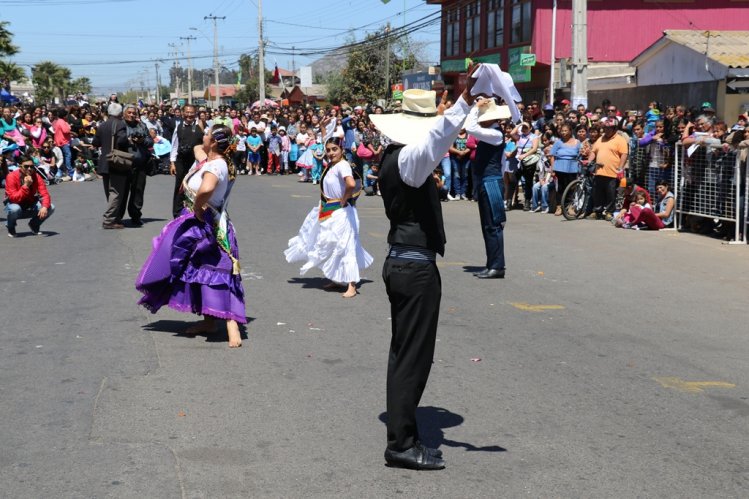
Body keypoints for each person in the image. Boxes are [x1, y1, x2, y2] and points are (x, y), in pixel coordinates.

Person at [368, 64, 486, 470]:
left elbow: (438, 137)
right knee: (412, 358)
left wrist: (466, 107)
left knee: (407, 354)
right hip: (413, 268)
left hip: (407, 263)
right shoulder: (408, 159)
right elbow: (436, 139)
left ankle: (407, 436)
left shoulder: (397, 158)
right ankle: (401, 444)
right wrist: (465, 100)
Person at [136, 125, 245, 348]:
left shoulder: (216, 166)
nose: (202, 137)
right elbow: (197, 148)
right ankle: (209, 321)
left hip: (206, 224)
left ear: (214, 143)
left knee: (220, 271)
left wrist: (196, 208)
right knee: (198, 272)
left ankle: (232, 323)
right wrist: (207, 144)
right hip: (196, 224)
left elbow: (206, 189)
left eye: (207, 134)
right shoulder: (210, 160)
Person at [284, 136, 373, 298]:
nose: (331, 153)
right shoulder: (332, 166)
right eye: (329, 150)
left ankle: (352, 285)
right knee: (331, 245)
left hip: (342, 211)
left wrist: (344, 199)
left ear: (341, 150)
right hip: (329, 210)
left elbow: (351, 184)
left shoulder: (343, 165)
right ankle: (337, 279)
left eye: (335, 149)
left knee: (346, 246)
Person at [464, 97, 511, 279]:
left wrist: (475, 109)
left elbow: (470, 128)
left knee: (493, 225)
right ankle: (492, 263)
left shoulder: (495, 134)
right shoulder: (490, 133)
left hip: (491, 181)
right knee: (487, 225)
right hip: (486, 180)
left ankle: (497, 265)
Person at [92, 102, 129, 229]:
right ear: (120, 113)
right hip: (116, 162)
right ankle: (109, 220)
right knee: (116, 192)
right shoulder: (120, 124)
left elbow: (95, 142)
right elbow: (122, 140)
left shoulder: (102, 125)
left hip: (104, 162)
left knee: (109, 192)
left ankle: (115, 217)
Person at [587, 118, 628, 220]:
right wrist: (589, 161)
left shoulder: (620, 140)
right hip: (599, 171)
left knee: (611, 194)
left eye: (609, 128)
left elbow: (624, 154)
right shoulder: (600, 138)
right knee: (597, 193)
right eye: (605, 128)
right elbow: (593, 151)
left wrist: (620, 168)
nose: (606, 130)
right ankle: (597, 211)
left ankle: (609, 212)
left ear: (614, 129)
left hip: (612, 172)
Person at [3, 155, 55, 237]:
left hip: (30, 203)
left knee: (50, 207)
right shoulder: (11, 177)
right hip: (14, 204)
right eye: (26, 166)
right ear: (20, 166)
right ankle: (11, 226)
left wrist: (44, 206)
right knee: (15, 209)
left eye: (32, 166)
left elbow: (45, 194)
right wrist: (25, 186)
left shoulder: (36, 176)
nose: (29, 169)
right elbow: (14, 198)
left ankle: (34, 224)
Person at [169, 105, 204, 218]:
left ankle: (193, 211)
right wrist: (172, 163)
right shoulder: (178, 127)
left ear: (195, 113)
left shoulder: (201, 126)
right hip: (181, 161)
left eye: (192, 113)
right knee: (179, 186)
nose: (189, 115)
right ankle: (177, 213)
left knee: (194, 186)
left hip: (196, 161)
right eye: (187, 112)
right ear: (183, 113)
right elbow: (174, 146)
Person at [123, 104, 153, 226]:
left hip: (140, 164)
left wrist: (142, 141)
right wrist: (128, 140)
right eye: (129, 113)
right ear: (125, 113)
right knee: (123, 191)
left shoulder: (141, 125)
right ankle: (118, 216)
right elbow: (117, 140)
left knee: (138, 191)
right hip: (124, 164)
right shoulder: (121, 125)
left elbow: (150, 141)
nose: (132, 115)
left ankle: (135, 215)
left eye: (134, 113)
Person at [548, 123, 582, 216]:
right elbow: (552, 156)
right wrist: (553, 169)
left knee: (571, 187)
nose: (563, 132)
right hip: (559, 167)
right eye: (562, 131)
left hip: (573, 167)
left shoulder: (577, 142)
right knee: (560, 187)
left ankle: (570, 206)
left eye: (566, 130)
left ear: (570, 131)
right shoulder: (558, 142)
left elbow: (580, 154)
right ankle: (559, 207)